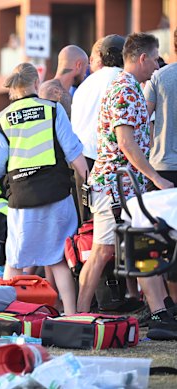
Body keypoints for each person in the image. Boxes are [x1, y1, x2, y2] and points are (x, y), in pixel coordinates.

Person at [76, 33, 177, 340]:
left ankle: (162, 310)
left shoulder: (129, 86)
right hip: (115, 185)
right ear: (142, 57)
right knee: (108, 250)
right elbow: (125, 142)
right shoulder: (125, 88)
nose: (157, 64)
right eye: (155, 57)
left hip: (120, 184)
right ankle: (78, 315)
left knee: (130, 245)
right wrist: (156, 177)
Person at [0, 62, 88, 315]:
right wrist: (89, 185)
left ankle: (10, 315)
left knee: (16, 261)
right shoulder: (52, 110)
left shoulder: (2, 119)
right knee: (58, 258)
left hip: (22, 200)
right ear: (35, 83)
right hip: (57, 195)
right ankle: (71, 316)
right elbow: (74, 153)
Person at [71, 34, 125, 222]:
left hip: (81, 161)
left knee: (87, 227)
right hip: (108, 162)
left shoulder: (85, 85)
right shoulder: (123, 80)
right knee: (113, 225)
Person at [145, 28, 177, 303]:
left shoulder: (159, 76)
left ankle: (167, 304)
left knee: (162, 240)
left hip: (163, 166)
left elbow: (143, 117)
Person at [38, 45, 89, 118]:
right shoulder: (53, 92)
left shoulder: (47, 88)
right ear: (78, 65)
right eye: (85, 68)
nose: (84, 74)